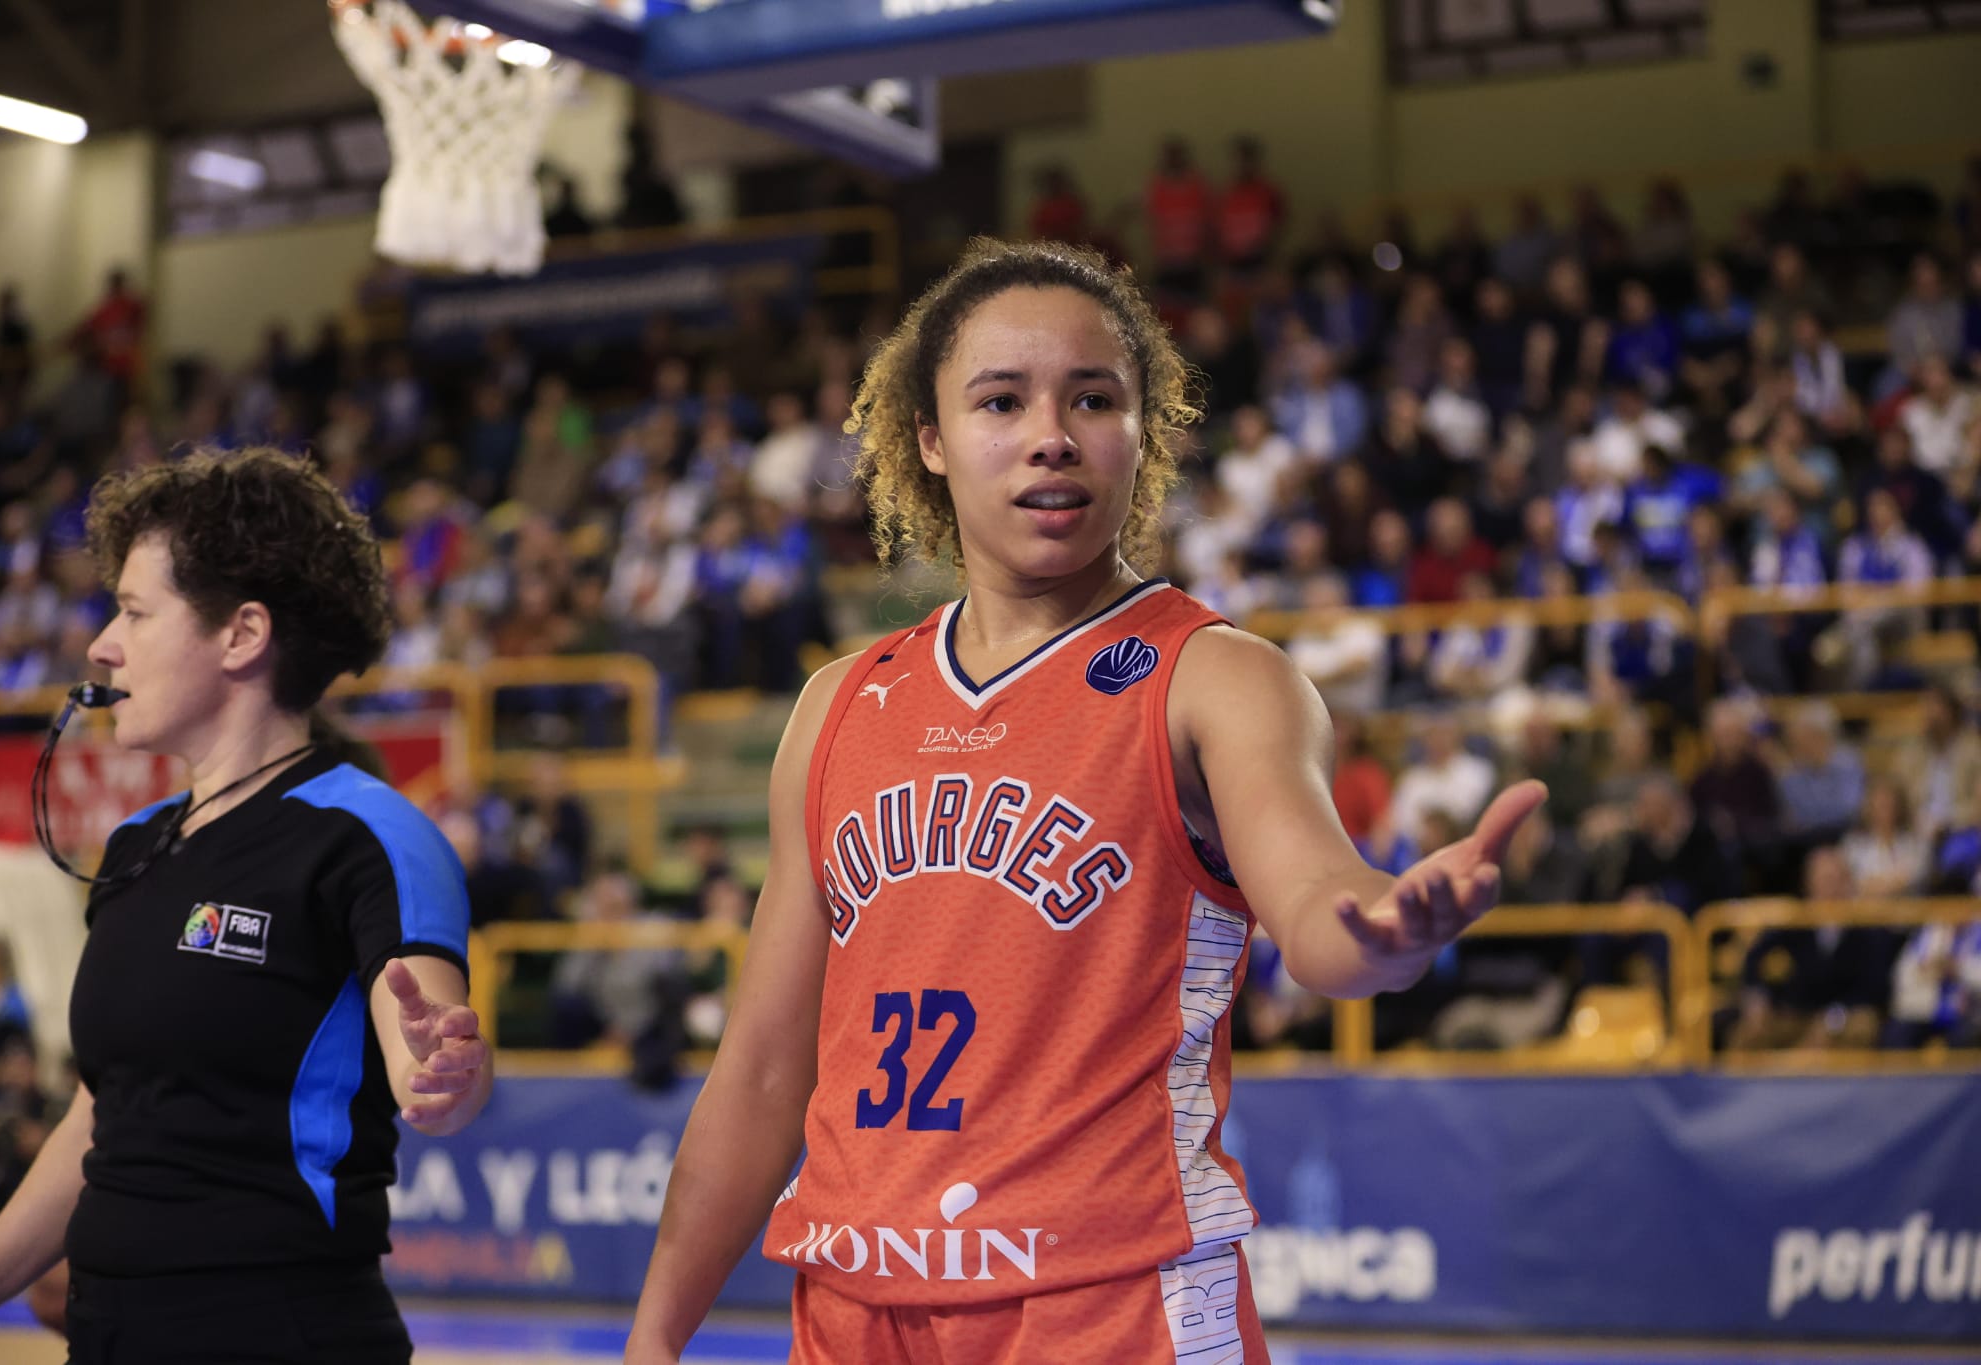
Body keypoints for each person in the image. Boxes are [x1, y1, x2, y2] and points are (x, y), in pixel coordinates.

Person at [622, 240, 1544, 1364]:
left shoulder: (1214, 676)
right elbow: (764, 1069)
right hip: (856, 1314)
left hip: (1110, 1307)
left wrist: (1387, 931)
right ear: (931, 440)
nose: (1049, 434)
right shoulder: (834, 708)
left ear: (1139, 434)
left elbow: (1316, 904)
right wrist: (653, 1340)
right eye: (1000, 400)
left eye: (1092, 399)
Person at [0, 450, 492, 1365]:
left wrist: (444, 1070)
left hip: (278, 1335)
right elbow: (103, 1114)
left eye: (135, 612)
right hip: (108, 1334)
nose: (101, 645)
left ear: (242, 635)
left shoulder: (371, 834)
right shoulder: (134, 844)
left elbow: (431, 1057)